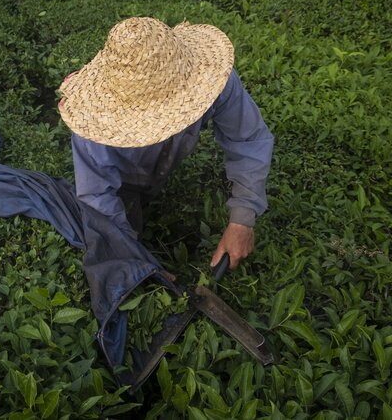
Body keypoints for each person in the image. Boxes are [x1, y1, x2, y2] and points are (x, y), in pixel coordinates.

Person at [58, 17, 274, 271]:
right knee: (115, 246)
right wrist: (134, 261)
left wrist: (243, 219)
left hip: (155, 169)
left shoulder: (211, 75)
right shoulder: (93, 127)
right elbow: (97, 195)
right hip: (121, 182)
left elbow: (248, 138)